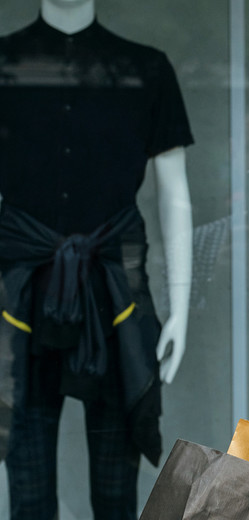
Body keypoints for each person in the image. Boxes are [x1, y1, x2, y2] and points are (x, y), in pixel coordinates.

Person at [0, 0, 193, 518]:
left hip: (116, 298)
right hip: (20, 296)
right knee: (27, 485)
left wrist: (181, 307)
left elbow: (175, 195)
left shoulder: (145, 68)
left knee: (116, 491)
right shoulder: (4, 63)